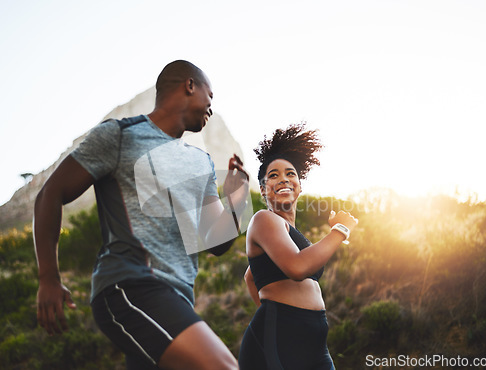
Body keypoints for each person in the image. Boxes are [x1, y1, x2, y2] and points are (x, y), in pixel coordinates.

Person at [34, 60, 248, 370]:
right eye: (210, 97)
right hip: (130, 287)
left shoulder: (200, 162)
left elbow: (216, 243)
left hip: (178, 300)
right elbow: (49, 194)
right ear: (190, 85)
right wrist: (48, 278)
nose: (211, 108)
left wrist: (236, 199)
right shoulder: (120, 135)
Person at [238, 124, 358, 370]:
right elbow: (297, 267)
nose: (283, 178)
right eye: (273, 175)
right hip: (281, 341)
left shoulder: (290, 233)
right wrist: (340, 230)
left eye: (290, 173)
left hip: (314, 343)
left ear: (299, 185)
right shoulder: (263, 219)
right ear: (263, 190)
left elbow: (251, 276)